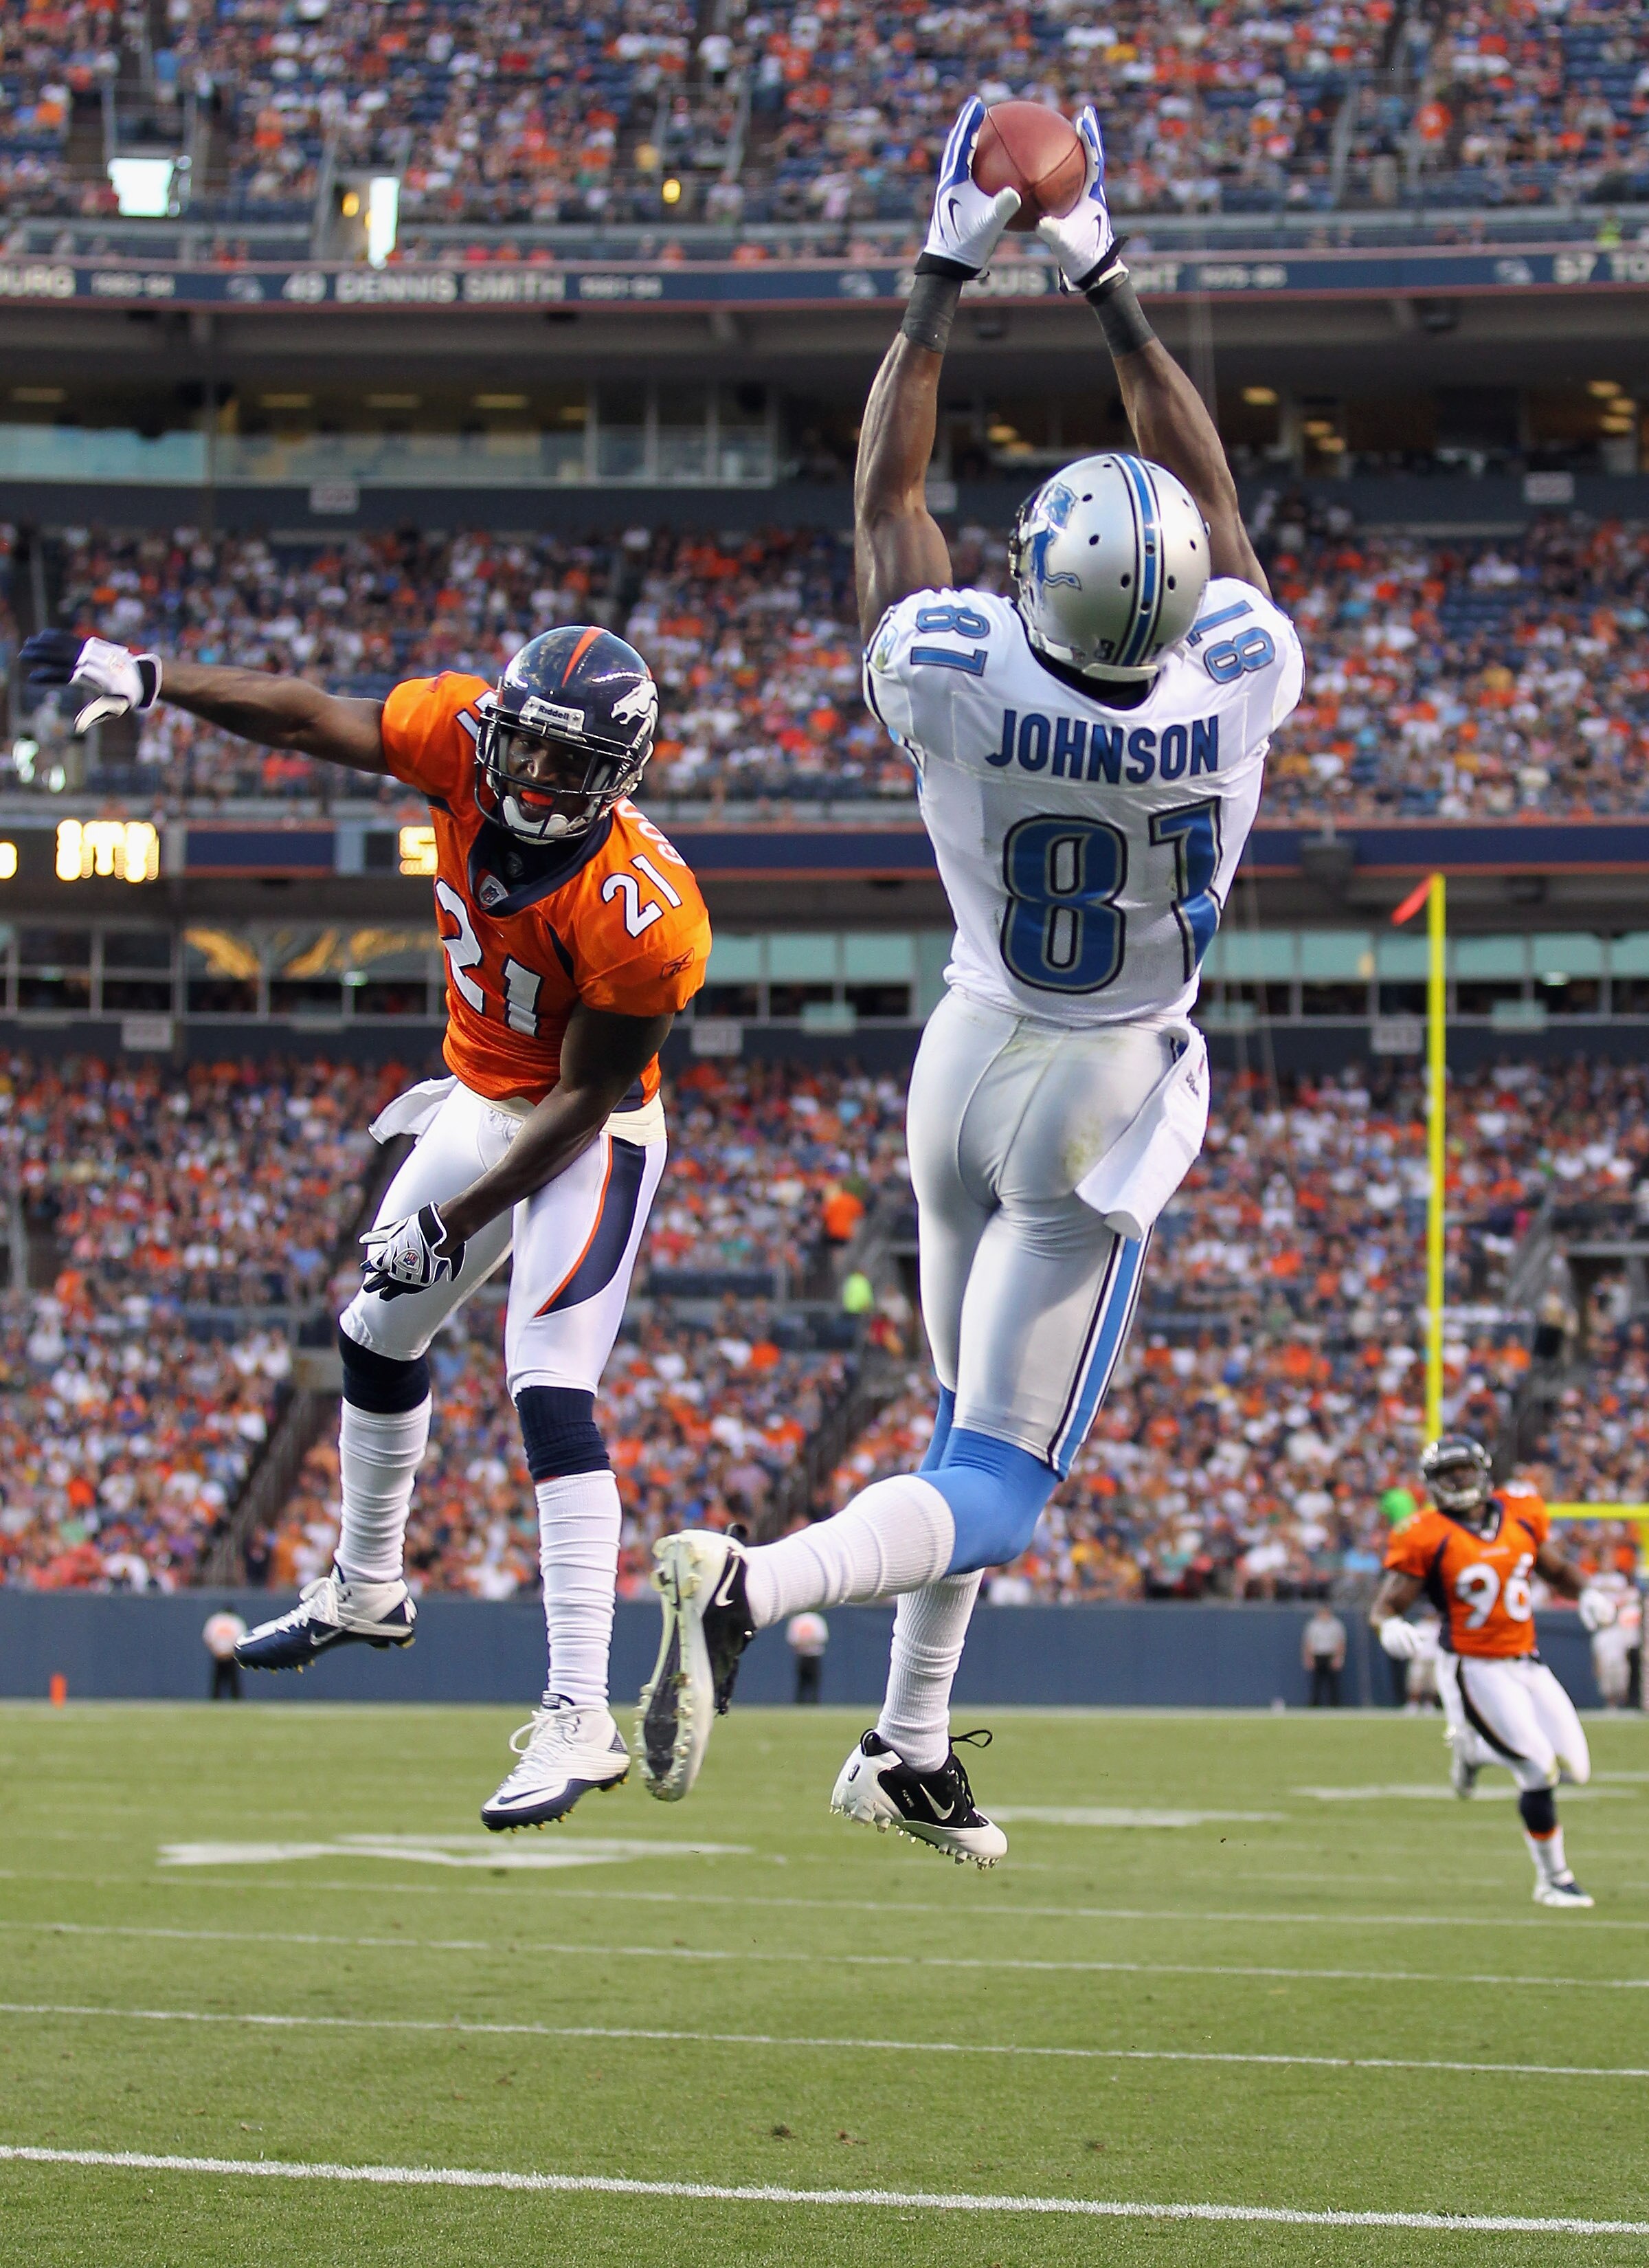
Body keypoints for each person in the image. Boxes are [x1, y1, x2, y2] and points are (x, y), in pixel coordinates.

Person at [633, 96, 1302, 1865]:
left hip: (965, 1047)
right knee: (997, 1478)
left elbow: (886, 493)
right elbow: (1215, 504)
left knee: (954, 1438)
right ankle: (747, 1583)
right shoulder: (1228, 670)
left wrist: (947, 262)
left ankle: (905, 1744)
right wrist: (1102, 271)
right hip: (1101, 1091)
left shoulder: (948, 662)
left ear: (1033, 585)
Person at [23, 617, 710, 1829]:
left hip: (587, 1133)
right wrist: (152, 677)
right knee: (374, 1331)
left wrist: (454, 1220)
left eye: (562, 765)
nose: (526, 778)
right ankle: (367, 1585)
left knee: (548, 1382)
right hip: (485, 1096)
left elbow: (586, 1099)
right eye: (521, 749)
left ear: (615, 778)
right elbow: (304, 712)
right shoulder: (458, 743)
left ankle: (578, 1710)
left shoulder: (645, 910)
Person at [1370, 1434, 1617, 1909]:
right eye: (1448, 1474)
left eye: (1464, 1469)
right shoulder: (1427, 1533)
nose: (1459, 1479)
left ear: (1482, 1471)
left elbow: (1556, 1568)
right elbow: (1388, 1602)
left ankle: (1476, 1751)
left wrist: (1587, 1591)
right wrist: (1387, 1625)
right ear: (1433, 1484)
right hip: (1473, 1665)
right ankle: (1553, 1879)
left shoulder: (1519, 1512)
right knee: (1536, 1767)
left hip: (1527, 1661)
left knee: (1577, 1770)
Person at [1301, 1603, 1345, 1707]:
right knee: (1316, 1682)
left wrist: (1338, 1658)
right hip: (1318, 1655)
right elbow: (1308, 1643)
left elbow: (1340, 1643)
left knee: (1333, 1683)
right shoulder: (1313, 1625)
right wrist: (1309, 1658)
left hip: (1331, 1654)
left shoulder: (1336, 1625)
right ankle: (1314, 1704)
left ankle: (1335, 1704)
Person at [202, 1610, 247, 1701]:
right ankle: (216, 1700)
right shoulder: (230, 1621)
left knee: (233, 1680)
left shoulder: (218, 1621)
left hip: (229, 1655)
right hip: (220, 1655)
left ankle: (236, 1700)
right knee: (218, 1681)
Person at [786, 1610, 828, 1703]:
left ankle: (814, 1702)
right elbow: (793, 1639)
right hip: (801, 1655)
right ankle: (800, 1702)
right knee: (802, 1682)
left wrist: (807, 1642)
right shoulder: (797, 1620)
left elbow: (821, 1638)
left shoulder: (816, 1619)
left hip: (814, 1655)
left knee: (814, 1681)